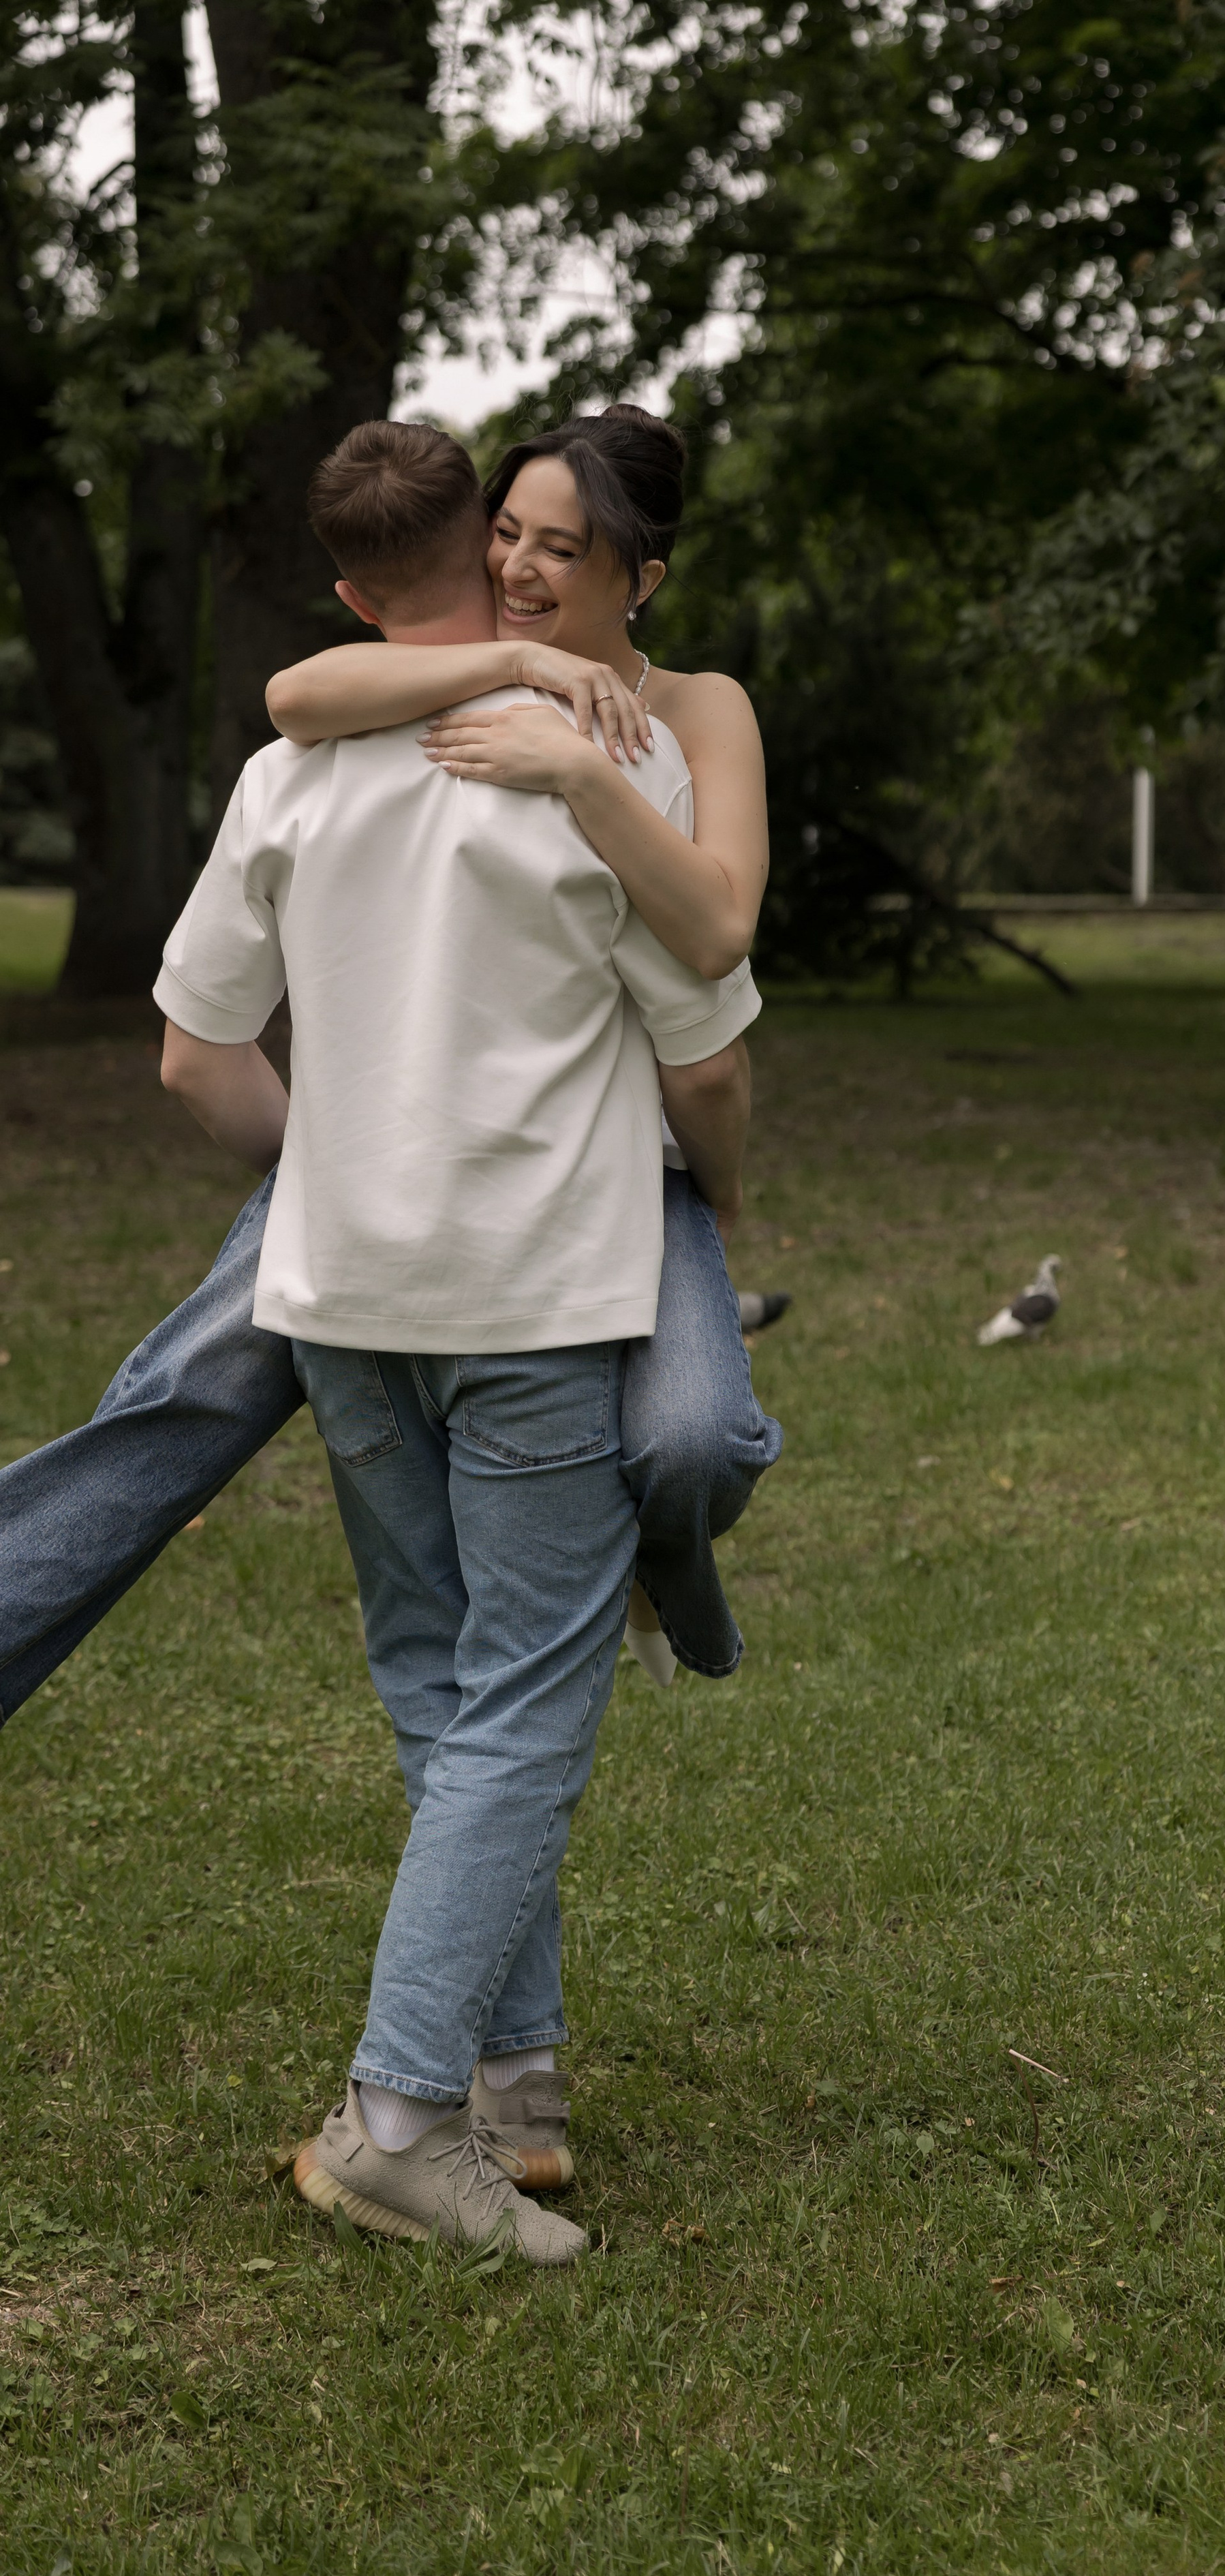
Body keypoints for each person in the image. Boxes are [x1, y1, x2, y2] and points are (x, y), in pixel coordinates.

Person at [154, 418, 761, 2263]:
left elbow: (194, 1057)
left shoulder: (291, 769)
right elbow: (705, 1051)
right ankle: (400, 2118)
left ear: (354, 590)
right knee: (522, 1708)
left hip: (345, 1300)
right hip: (531, 1297)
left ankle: (513, 2080)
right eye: (512, 534)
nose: (530, 566)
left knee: (443, 1682)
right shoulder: (607, 755)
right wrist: (721, 1205)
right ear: (472, 547)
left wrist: (335, 1172)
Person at [0, 415, 778, 1729]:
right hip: (388, 1154)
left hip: (605, 1157)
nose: (520, 566)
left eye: (563, 549)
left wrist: (576, 769)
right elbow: (292, 700)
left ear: (642, 578)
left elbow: (719, 933)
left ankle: (663, 1567)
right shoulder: (451, 676)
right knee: (190, 1390)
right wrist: (519, 664)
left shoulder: (692, 711)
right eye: (506, 534)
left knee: (694, 1440)